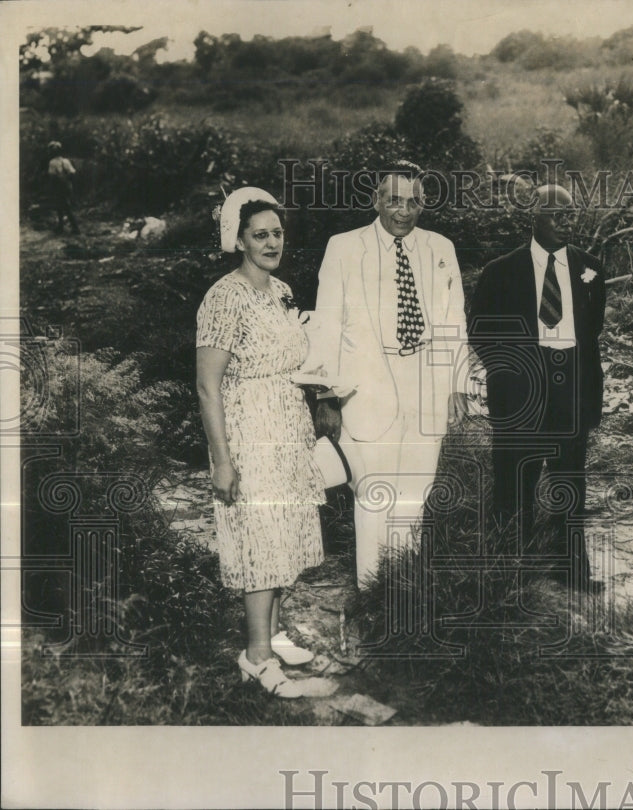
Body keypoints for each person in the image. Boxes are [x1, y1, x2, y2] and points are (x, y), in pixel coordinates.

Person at [308, 162, 469, 588]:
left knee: (416, 491)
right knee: (372, 492)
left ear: (424, 203)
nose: (404, 210)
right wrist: (326, 396)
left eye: (414, 201)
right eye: (394, 200)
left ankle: (401, 585)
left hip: (426, 383)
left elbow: (454, 320)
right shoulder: (344, 247)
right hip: (367, 387)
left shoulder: (441, 248)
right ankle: (370, 587)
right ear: (376, 200)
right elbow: (326, 322)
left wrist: (456, 383)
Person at [196, 187, 325, 697]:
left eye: (277, 233)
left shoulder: (280, 290)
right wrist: (222, 461)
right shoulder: (225, 296)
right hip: (249, 432)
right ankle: (256, 659)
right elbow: (208, 385)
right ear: (239, 241)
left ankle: (271, 633)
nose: (272, 242)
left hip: (288, 427)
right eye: (260, 235)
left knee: (285, 534)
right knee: (261, 540)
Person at [468, 184, 606, 593]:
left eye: (571, 215)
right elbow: (481, 332)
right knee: (515, 482)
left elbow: (591, 329)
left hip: (572, 388)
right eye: (556, 215)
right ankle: (510, 571)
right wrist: (515, 375)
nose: (567, 222)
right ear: (534, 216)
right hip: (521, 391)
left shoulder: (591, 267)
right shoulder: (501, 270)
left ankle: (571, 570)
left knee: (570, 482)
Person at [46, 141, 80, 235]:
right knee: (61, 206)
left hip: (59, 187)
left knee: (65, 207)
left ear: (53, 152)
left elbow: (52, 176)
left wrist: (52, 186)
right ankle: (61, 226)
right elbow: (73, 173)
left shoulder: (52, 162)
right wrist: (67, 179)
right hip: (68, 186)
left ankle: (75, 228)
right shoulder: (66, 161)